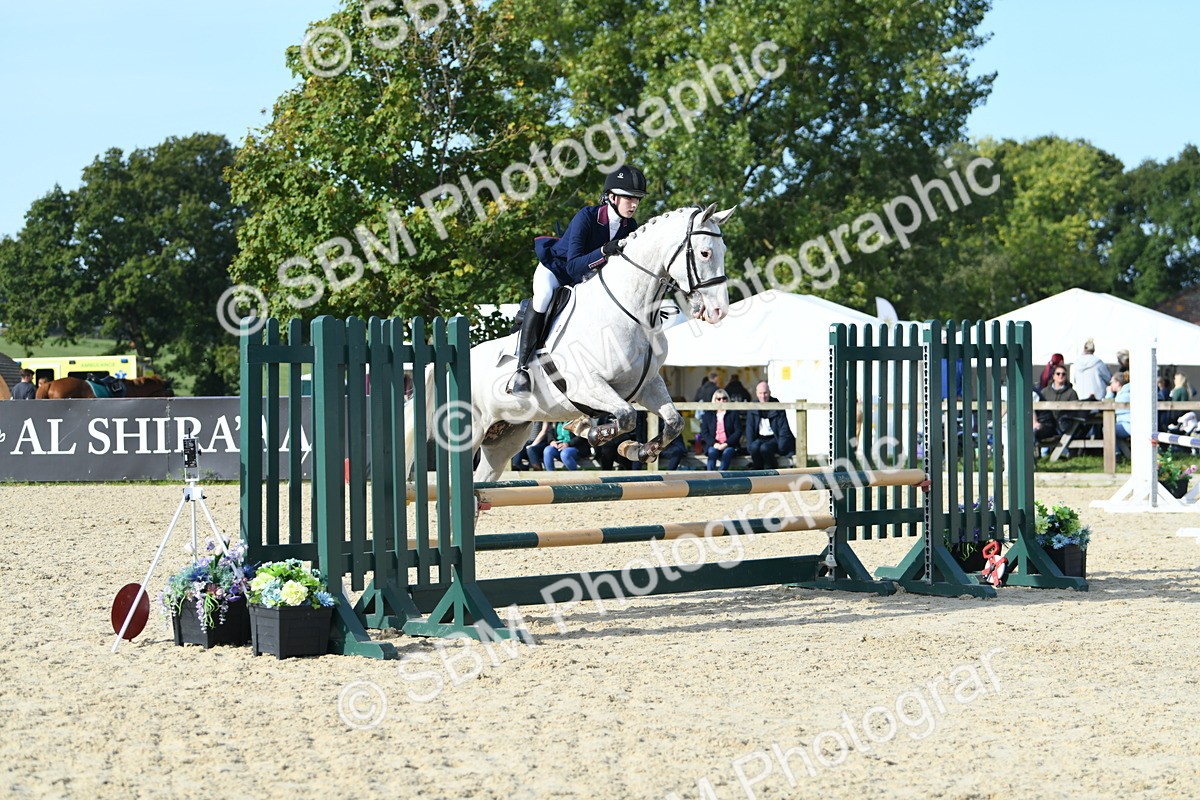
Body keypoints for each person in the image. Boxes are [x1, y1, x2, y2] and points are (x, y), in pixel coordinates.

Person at [507, 165, 647, 397]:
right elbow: (573, 266)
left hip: (587, 280)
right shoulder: (587, 216)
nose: (634, 205)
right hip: (557, 271)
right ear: (611, 197)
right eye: (629, 198)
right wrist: (603, 251)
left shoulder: (629, 226)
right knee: (542, 298)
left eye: (637, 199)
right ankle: (521, 368)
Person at [745, 381, 796, 469]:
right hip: (760, 438)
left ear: (769, 393)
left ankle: (770, 470)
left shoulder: (777, 406)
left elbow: (783, 429)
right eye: (760, 393)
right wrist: (749, 446)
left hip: (774, 438)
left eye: (765, 393)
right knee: (754, 447)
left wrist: (782, 448)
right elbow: (749, 428)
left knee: (765, 448)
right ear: (756, 394)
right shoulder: (753, 406)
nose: (763, 396)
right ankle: (758, 470)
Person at [699, 390, 743, 471]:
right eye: (718, 399)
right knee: (712, 452)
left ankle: (721, 476)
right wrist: (714, 443)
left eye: (724, 398)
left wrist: (726, 443)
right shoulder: (708, 415)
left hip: (730, 445)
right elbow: (704, 433)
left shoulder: (733, 414)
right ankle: (710, 476)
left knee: (727, 453)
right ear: (714, 400)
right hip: (714, 445)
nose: (722, 401)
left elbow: (738, 431)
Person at [1106, 372, 1132, 459]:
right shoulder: (1126, 393)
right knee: (1112, 429)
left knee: (1108, 429)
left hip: (1128, 425)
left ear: (1118, 383)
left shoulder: (1124, 396)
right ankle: (1126, 454)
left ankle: (1116, 454)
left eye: (1112, 382)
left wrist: (1109, 393)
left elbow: (1108, 405)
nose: (1110, 385)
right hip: (1127, 424)